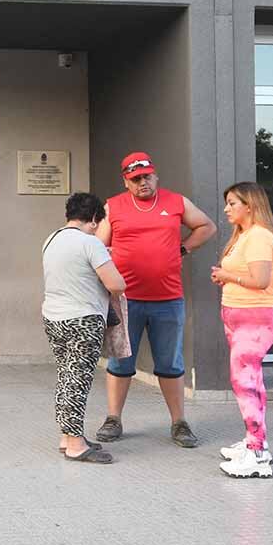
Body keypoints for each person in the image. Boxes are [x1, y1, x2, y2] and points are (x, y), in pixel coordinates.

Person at [95, 152, 217, 448]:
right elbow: (97, 245)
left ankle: (179, 423)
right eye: (135, 179)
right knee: (121, 361)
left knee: (170, 363)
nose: (142, 183)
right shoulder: (114, 206)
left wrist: (184, 248)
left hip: (168, 298)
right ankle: (113, 418)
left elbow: (207, 226)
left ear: (156, 176)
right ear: (126, 181)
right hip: (125, 300)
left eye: (147, 176)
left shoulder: (175, 202)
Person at [42, 193, 127, 463]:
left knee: (66, 377)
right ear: (92, 219)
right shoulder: (90, 243)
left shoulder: (51, 239)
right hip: (83, 320)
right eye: (97, 223)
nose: (97, 228)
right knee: (79, 380)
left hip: (53, 318)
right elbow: (116, 284)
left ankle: (67, 436)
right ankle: (76, 444)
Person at [210, 182, 273, 479]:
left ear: (249, 206)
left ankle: (255, 454)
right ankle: (257, 443)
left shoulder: (260, 237)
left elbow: (261, 280)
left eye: (232, 203)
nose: (226, 209)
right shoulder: (244, 236)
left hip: (256, 318)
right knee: (251, 381)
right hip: (239, 317)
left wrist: (228, 275)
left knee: (244, 383)